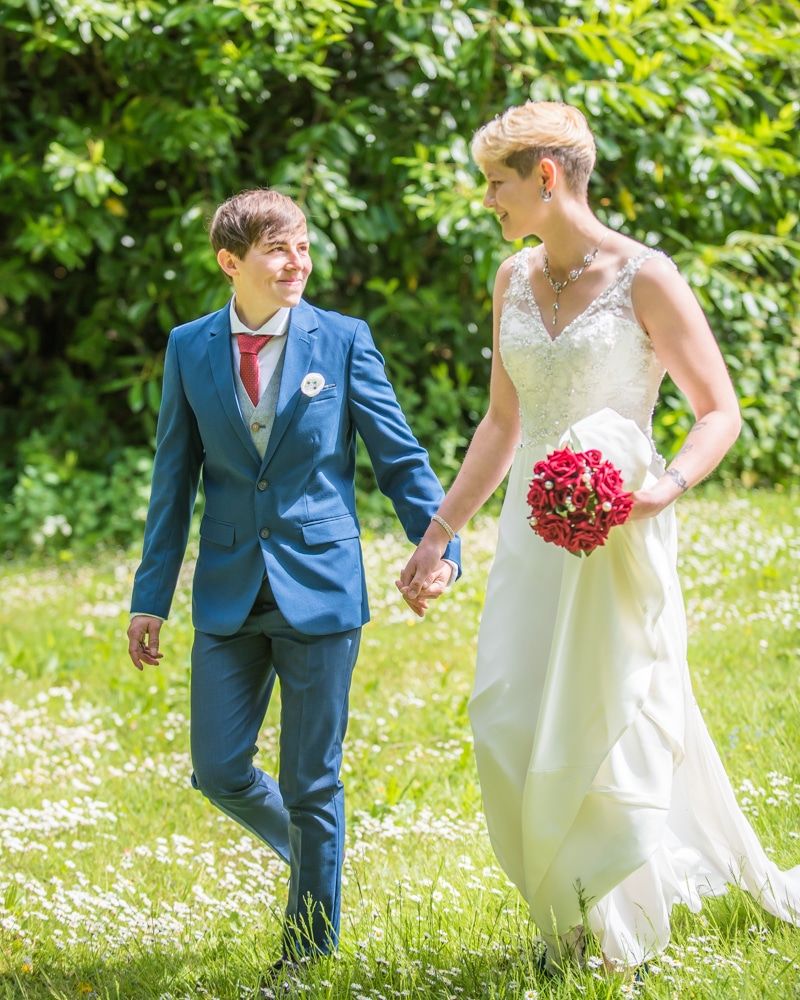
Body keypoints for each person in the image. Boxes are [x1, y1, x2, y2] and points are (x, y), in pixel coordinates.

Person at [399, 101, 800, 972]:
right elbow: (502, 423)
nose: (488, 200)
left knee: (614, 712)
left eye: (496, 183)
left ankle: (604, 926)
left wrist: (663, 490)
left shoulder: (646, 277)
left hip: (618, 527)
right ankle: (568, 901)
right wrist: (439, 534)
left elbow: (719, 411)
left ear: (546, 176)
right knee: (506, 713)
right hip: (531, 531)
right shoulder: (511, 278)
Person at [126, 188, 460, 970]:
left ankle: (307, 952)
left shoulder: (341, 340)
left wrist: (440, 546)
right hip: (229, 591)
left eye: (302, 247)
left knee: (312, 781)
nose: (296, 262)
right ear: (230, 261)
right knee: (218, 769)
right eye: (278, 249)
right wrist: (151, 598)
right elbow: (172, 482)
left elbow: (400, 459)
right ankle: (319, 857)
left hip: (322, 585)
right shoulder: (189, 347)